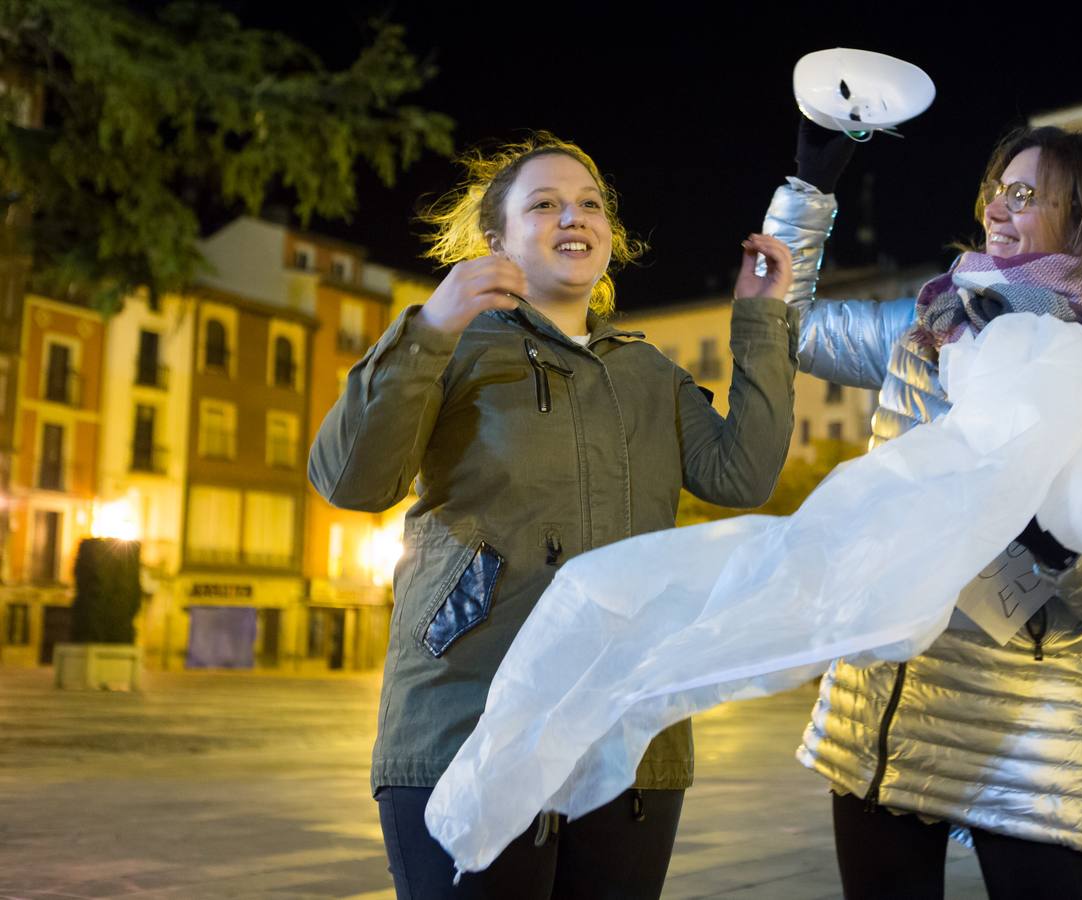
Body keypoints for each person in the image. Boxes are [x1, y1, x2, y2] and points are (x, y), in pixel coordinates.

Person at [309, 131, 799, 899]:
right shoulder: (451, 344)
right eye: (544, 204)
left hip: (626, 737)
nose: (574, 216)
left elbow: (742, 476)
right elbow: (350, 481)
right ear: (495, 238)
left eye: (590, 203)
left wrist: (760, 323)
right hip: (467, 723)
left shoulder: (649, 372)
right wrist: (427, 331)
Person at [761, 120, 1082, 899]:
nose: (997, 206)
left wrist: (1059, 548)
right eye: (996, 188)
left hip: (1030, 745)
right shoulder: (927, 327)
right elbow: (778, 326)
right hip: (878, 714)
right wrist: (809, 191)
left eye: (1025, 195)